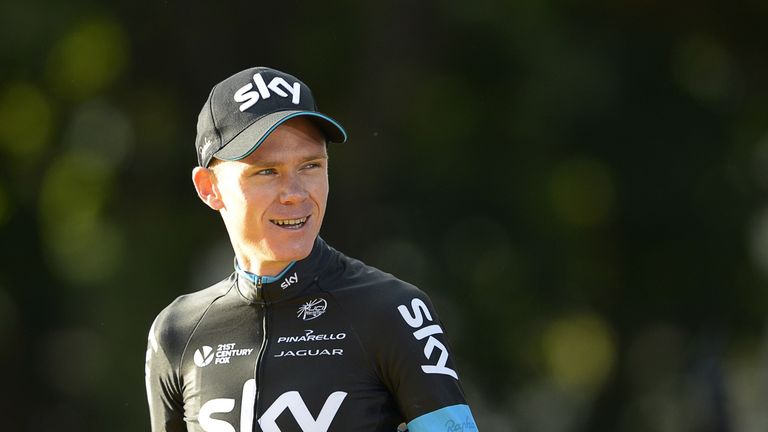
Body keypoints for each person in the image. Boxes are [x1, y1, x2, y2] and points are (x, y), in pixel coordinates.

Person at [144, 66, 478, 432]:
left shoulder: (393, 311)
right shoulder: (176, 331)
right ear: (209, 187)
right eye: (266, 171)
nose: (296, 194)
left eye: (310, 166)